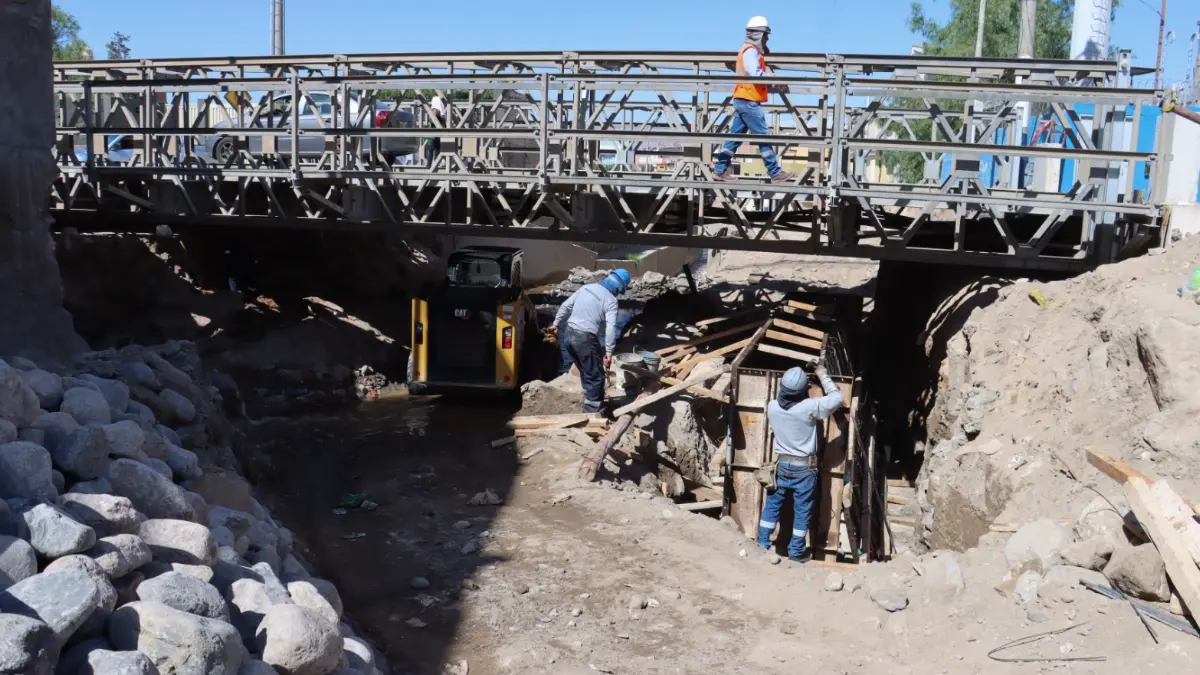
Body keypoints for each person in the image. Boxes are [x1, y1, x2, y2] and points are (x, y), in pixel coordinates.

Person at [758, 364, 843, 562]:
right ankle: (796, 551)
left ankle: (762, 543)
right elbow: (837, 398)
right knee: (802, 509)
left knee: (772, 506)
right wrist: (822, 374)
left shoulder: (772, 406)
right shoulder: (808, 407)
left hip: (780, 466)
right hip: (804, 468)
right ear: (802, 391)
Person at [713, 16, 796, 184]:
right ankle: (775, 172)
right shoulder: (750, 51)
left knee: (734, 138)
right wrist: (775, 80)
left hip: (744, 98)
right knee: (763, 137)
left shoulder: (751, 51)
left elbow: (756, 81)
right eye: (766, 34)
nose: (767, 38)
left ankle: (719, 171)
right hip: (748, 101)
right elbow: (755, 74)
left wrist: (774, 87)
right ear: (758, 34)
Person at [550, 269, 631, 413]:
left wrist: (556, 324)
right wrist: (609, 352)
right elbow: (611, 328)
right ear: (619, 288)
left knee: (588, 371)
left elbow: (565, 306)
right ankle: (591, 414)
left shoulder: (586, 288)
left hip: (568, 334)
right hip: (585, 338)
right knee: (595, 377)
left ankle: (593, 398)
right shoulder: (611, 301)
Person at [423, 95, 446, 168]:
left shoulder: (436, 117)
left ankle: (430, 165)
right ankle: (431, 165)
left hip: (435, 136)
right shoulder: (439, 117)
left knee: (433, 150)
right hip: (434, 136)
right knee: (433, 150)